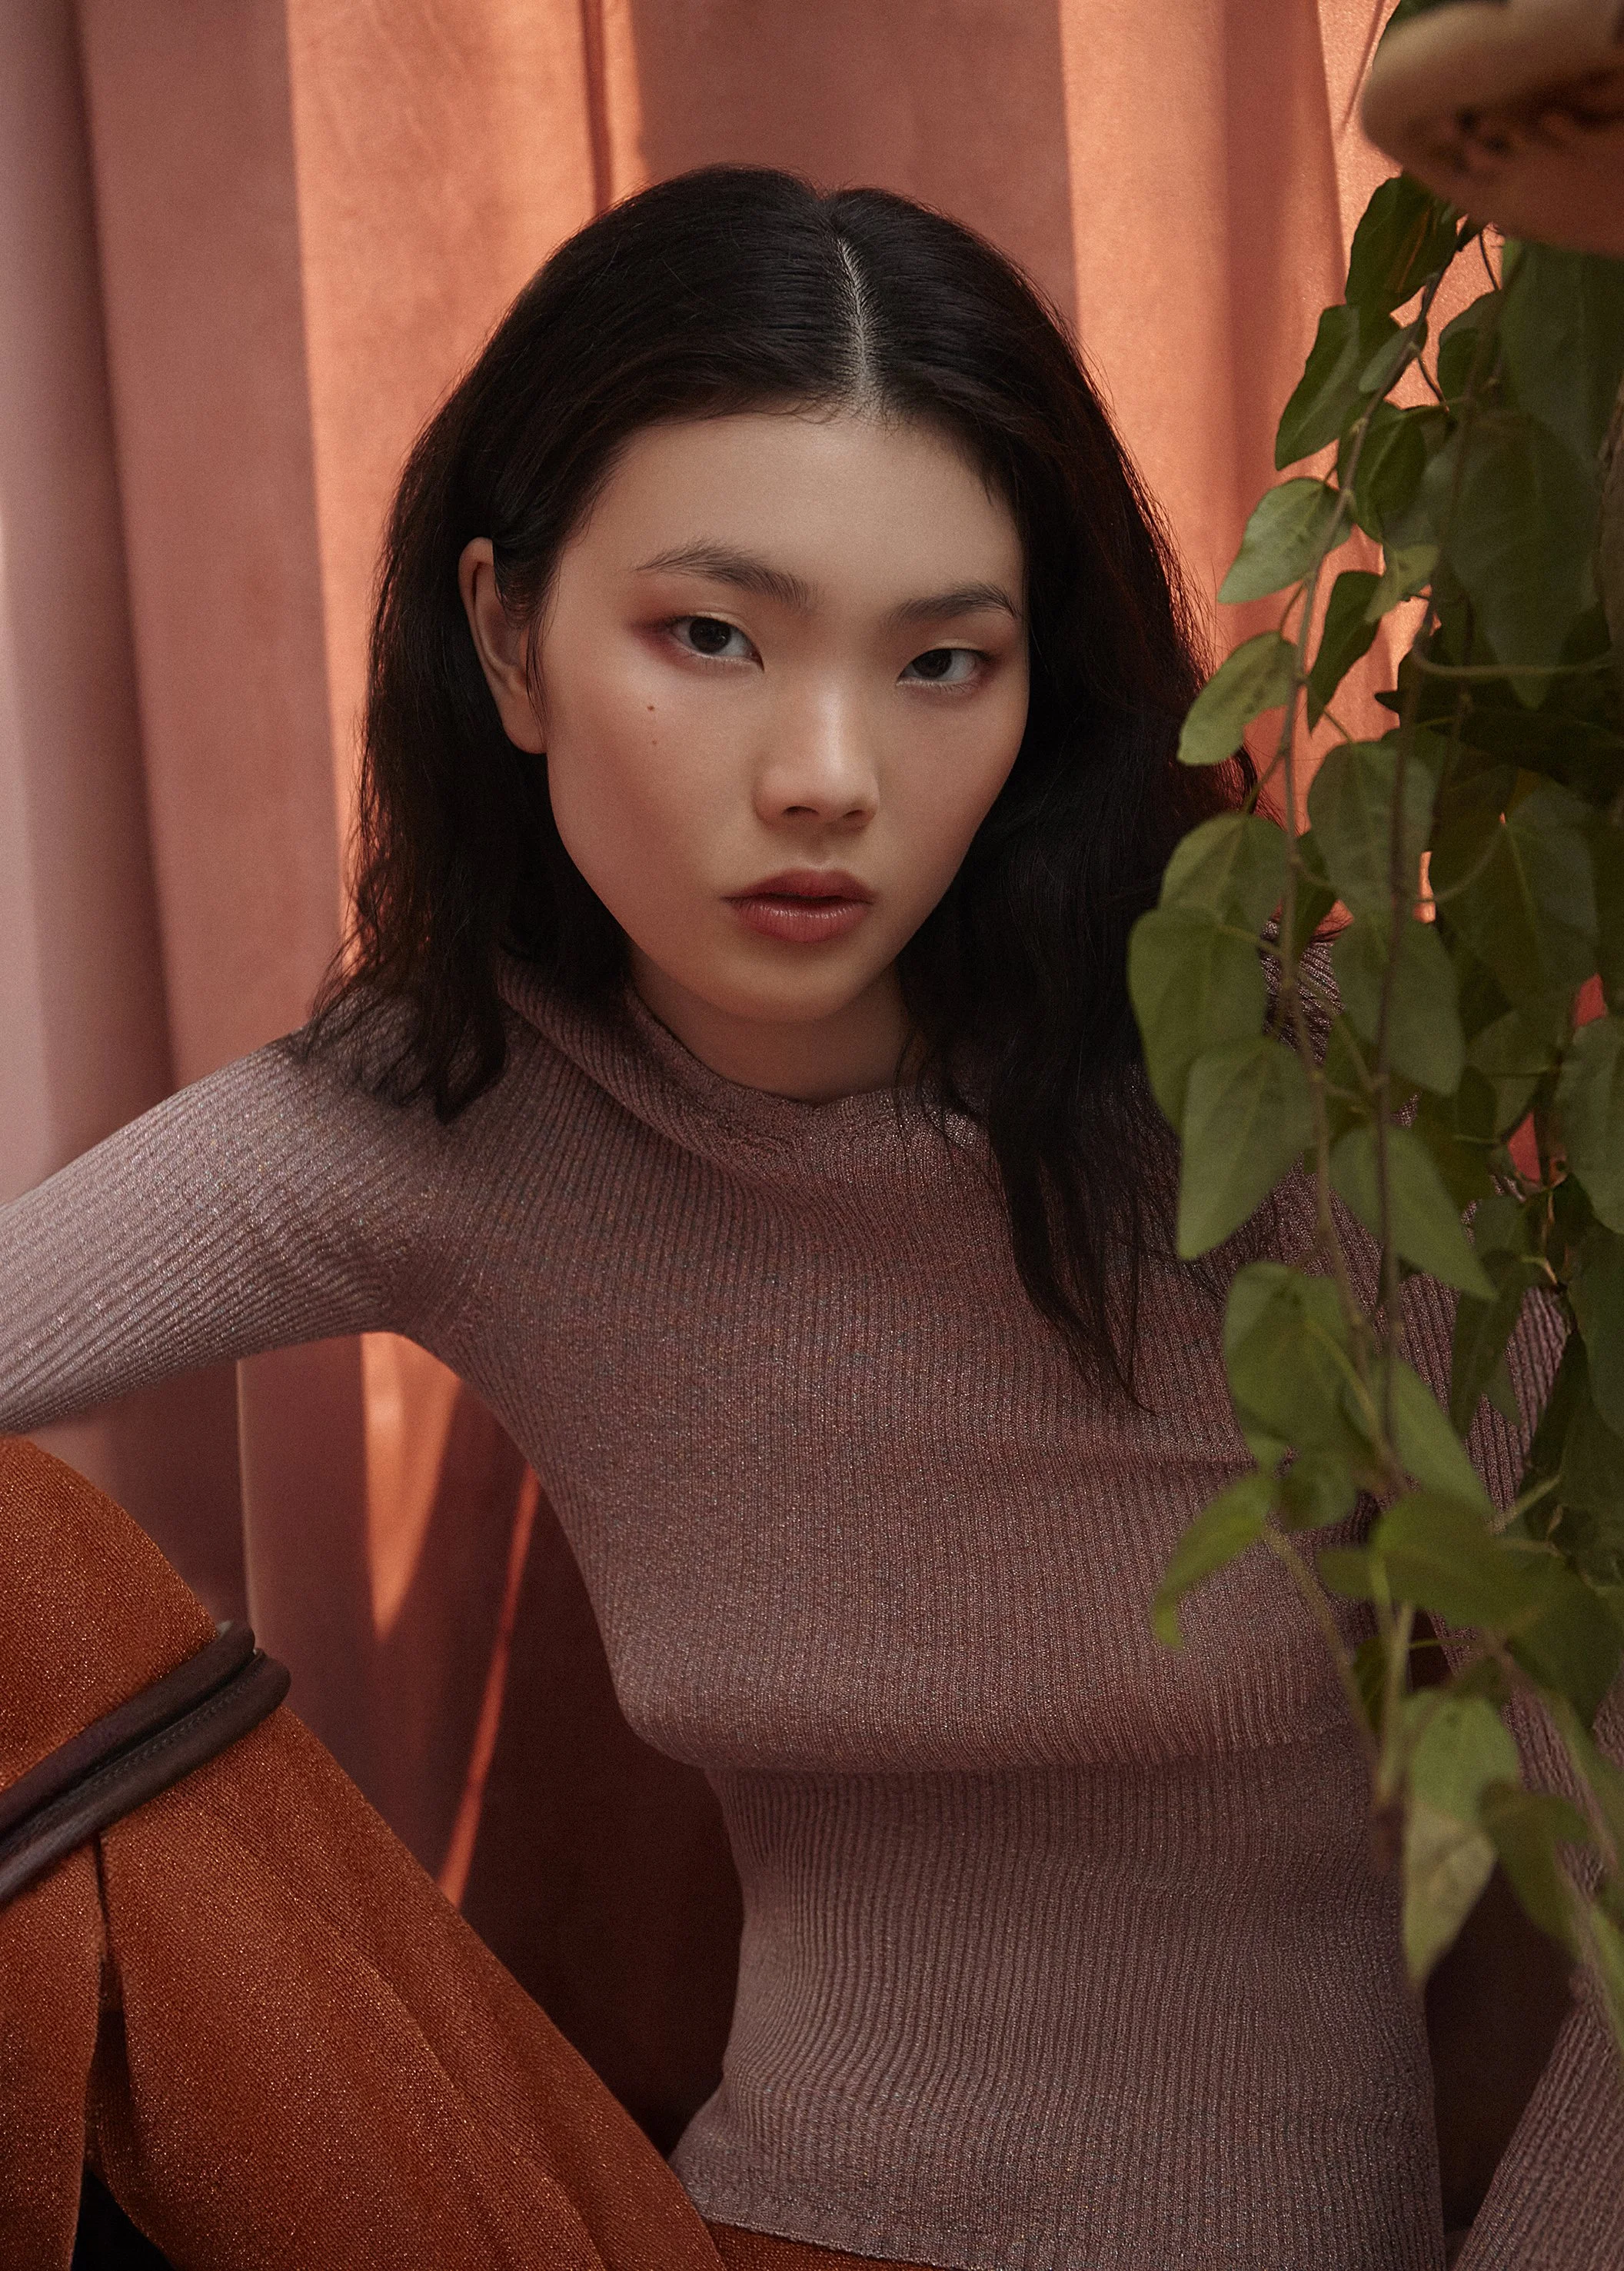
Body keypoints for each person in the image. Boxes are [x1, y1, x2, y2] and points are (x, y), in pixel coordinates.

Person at [0, 166, 1616, 2271]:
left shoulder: (1287, 1098)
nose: (826, 773)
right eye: (710, 636)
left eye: (945, 661)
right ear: (510, 642)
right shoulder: (444, 1111)